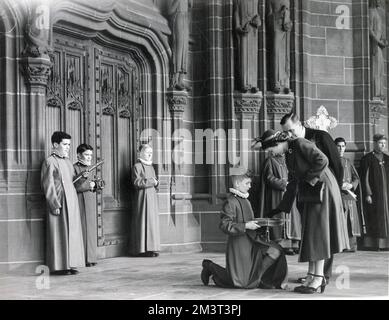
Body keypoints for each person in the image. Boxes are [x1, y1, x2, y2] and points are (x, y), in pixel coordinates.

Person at [252, 130, 349, 294]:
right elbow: (292, 183)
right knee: (311, 233)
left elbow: (322, 160)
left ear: (277, 144)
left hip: (322, 190)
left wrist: (309, 180)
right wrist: (279, 208)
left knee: (318, 234)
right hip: (312, 193)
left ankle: (318, 278)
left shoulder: (299, 143)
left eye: (271, 150)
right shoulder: (289, 153)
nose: (272, 153)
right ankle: (313, 276)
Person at [280, 111, 344, 283]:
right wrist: (285, 205)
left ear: (300, 125)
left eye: (292, 131)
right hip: (307, 195)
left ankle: (323, 275)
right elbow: (294, 177)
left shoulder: (321, 136)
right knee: (313, 234)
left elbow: (336, 165)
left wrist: (336, 194)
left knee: (323, 233)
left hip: (325, 193)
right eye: (286, 132)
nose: (290, 135)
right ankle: (315, 273)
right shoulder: (292, 146)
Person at [201, 168, 288, 289]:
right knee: (241, 283)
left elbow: (248, 220)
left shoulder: (246, 200)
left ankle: (257, 279)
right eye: (247, 183)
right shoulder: (230, 202)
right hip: (240, 244)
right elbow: (225, 225)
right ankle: (210, 266)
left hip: (253, 240)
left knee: (275, 251)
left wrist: (262, 223)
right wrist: (246, 226)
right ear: (237, 184)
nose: (250, 186)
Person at [41, 131, 85, 275]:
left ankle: (71, 264)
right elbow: (48, 185)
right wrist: (54, 204)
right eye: (65, 144)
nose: (68, 147)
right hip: (59, 201)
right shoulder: (50, 161)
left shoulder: (67, 162)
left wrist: (82, 178)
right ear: (55, 144)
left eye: (69, 145)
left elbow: (73, 183)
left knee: (71, 233)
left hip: (71, 201)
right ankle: (60, 266)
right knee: (59, 233)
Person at [258, 153, 301, 255]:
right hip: (277, 195)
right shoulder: (270, 161)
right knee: (280, 217)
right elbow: (268, 177)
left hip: (291, 194)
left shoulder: (291, 160)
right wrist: (282, 184)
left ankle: (294, 244)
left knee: (293, 219)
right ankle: (283, 245)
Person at [129, 144, 160, 257]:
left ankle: (152, 248)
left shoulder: (151, 167)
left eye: (151, 152)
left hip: (152, 198)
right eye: (147, 152)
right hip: (142, 198)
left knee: (151, 223)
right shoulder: (137, 166)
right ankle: (142, 249)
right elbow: (136, 182)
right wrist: (152, 181)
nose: (150, 154)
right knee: (143, 222)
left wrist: (156, 183)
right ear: (141, 153)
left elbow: (154, 181)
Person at [359, 134, 389, 250]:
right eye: (381, 143)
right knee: (376, 218)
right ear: (375, 143)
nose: (383, 145)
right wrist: (368, 193)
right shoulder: (367, 159)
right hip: (374, 195)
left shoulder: (387, 158)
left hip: (387, 195)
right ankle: (376, 244)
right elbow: (364, 178)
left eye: (384, 144)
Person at [334, 137, 364, 252]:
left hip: (349, 196)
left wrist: (351, 185)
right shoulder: (331, 161)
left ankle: (351, 245)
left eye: (343, 146)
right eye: (338, 146)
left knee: (350, 221)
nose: (341, 149)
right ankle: (340, 246)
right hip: (338, 195)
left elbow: (356, 178)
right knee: (340, 220)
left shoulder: (348, 162)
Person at [74, 144, 98, 267]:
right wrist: (90, 185)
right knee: (83, 228)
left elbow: (94, 183)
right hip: (79, 201)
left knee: (91, 229)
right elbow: (74, 186)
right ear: (79, 155)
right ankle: (83, 258)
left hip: (90, 200)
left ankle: (92, 257)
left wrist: (97, 184)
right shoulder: (74, 168)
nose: (89, 157)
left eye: (90, 155)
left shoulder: (91, 167)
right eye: (86, 155)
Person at [233, 0, 261, 93]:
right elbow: (236, 12)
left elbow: (258, 17)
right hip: (244, 32)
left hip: (252, 33)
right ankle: (243, 83)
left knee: (253, 58)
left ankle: (253, 84)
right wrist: (237, 26)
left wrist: (257, 21)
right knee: (243, 56)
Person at [266, 0, 292, 94]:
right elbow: (269, 18)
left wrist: (288, 21)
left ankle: (285, 83)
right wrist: (279, 14)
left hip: (285, 30)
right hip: (276, 28)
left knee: (285, 57)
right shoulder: (271, 1)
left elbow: (289, 18)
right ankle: (275, 83)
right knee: (276, 54)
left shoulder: (287, 1)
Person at [168, 0, 193, 90]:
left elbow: (189, 11)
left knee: (184, 51)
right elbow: (170, 11)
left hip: (185, 21)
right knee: (178, 49)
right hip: (178, 19)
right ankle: (174, 80)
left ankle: (181, 80)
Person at [369, 0, 387, 99]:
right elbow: (370, 30)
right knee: (376, 69)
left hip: (379, 45)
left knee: (380, 69)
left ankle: (379, 93)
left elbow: (379, 30)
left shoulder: (378, 12)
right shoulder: (371, 11)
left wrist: (383, 40)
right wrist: (379, 41)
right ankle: (375, 94)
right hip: (375, 46)